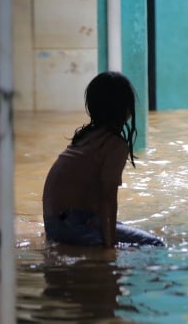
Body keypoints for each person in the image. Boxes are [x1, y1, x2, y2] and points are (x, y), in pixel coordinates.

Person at [42, 71, 164, 248]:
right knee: (154, 244)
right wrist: (109, 246)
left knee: (124, 231)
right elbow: (108, 197)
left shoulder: (86, 136)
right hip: (73, 224)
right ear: (126, 108)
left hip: (55, 224)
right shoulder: (114, 144)